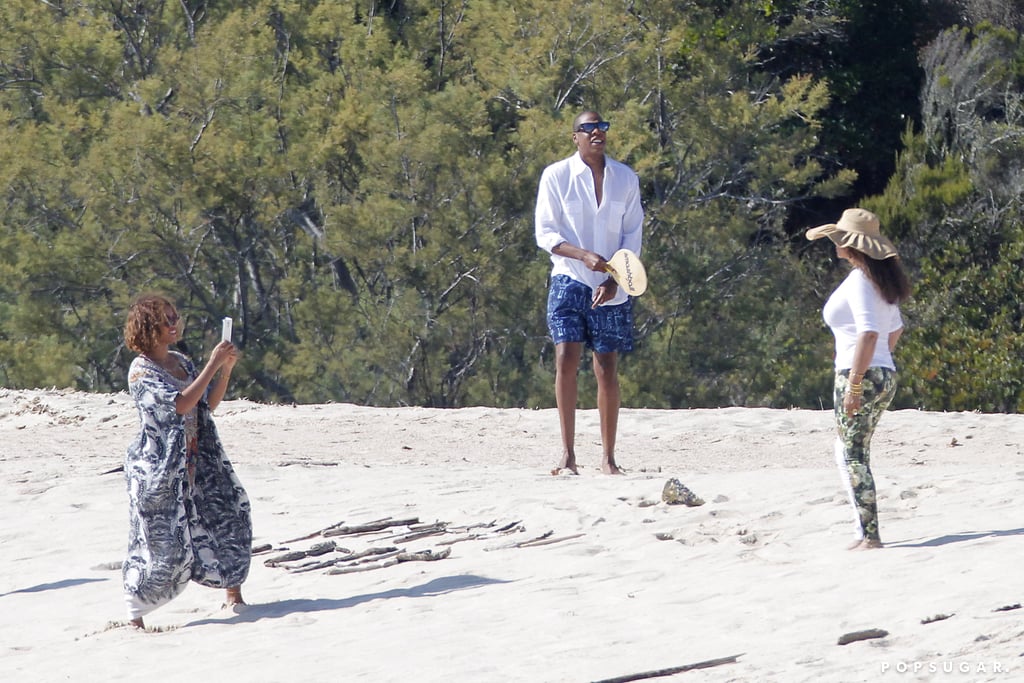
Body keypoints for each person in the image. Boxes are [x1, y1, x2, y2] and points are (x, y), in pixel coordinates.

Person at [121, 294, 252, 628]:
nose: (174, 323)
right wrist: (211, 364)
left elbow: (206, 403)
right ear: (150, 327)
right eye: (166, 319)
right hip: (160, 468)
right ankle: (135, 616)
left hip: (197, 460)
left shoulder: (179, 360)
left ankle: (233, 592)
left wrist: (224, 370)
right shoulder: (140, 372)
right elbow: (178, 405)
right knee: (159, 543)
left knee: (227, 512)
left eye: (175, 316)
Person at [535, 110, 644, 475]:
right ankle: (567, 454)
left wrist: (616, 277)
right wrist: (582, 255)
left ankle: (609, 457)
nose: (597, 133)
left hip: (612, 283)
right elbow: (546, 233)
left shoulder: (625, 179)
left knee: (606, 368)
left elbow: (633, 234)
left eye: (602, 127)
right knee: (566, 357)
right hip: (568, 278)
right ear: (575, 136)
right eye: (588, 128)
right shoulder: (556, 176)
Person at [806, 208, 911, 549]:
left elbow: (868, 333)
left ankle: (869, 535)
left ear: (851, 246)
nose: (834, 243)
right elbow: (894, 330)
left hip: (859, 375)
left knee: (852, 454)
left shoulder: (859, 281)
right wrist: (881, 363)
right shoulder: (878, 280)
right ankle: (861, 529)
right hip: (883, 374)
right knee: (850, 450)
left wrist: (855, 382)